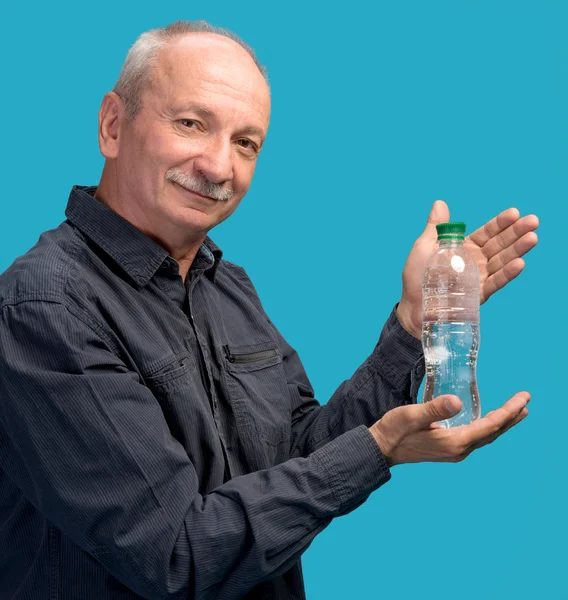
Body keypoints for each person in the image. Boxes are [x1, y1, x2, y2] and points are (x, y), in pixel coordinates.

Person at [0, 20, 539, 600]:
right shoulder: (44, 309)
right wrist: (377, 449)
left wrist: (411, 327)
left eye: (245, 143)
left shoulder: (228, 286)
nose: (218, 166)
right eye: (190, 123)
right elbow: (175, 555)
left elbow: (304, 451)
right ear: (112, 125)